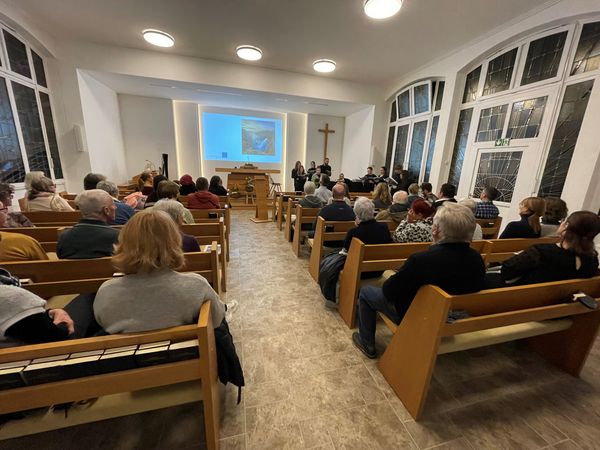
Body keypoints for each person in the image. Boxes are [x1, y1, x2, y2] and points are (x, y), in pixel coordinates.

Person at [352, 202, 485, 358]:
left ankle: (366, 343)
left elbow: (388, 291)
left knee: (366, 292)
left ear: (435, 230)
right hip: (452, 315)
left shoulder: (420, 260)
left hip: (417, 315)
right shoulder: (477, 259)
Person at [93, 209, 226, 333]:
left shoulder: (106, 292)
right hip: (185, 348)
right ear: (174, 241)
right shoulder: (196, 285)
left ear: (124, 242)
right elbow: (217, 319)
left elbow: (103, 322)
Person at [486, 211, 600, 288]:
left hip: (522, 301)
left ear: (566, 226)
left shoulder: (541, 252)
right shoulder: (592, 260)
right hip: (556, 305)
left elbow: (507, 271)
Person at [0, 270, 98, 344]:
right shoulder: (9, 296)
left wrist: (49, 314)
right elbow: (54, 337)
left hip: (34, 333)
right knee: (92, 294)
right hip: (54, 349)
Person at [57, 189, 119, 259]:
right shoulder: (117, 237)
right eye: (113, 204)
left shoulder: (64, 237)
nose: (115, 207)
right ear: (106, 210)